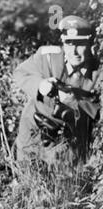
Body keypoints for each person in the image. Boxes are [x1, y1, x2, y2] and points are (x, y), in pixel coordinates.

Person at [14, 15, 103, 165]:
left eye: (80, 44)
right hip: (33, 133)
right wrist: (40, 84)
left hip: (68, 141)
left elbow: (99, 113)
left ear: (90, 44)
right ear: (63, 42)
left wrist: (75, 102)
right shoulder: (48, 57)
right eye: (69, 43)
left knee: (65, 183)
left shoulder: (98, 74)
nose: (74, 51)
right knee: (27, 180)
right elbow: (20, 72)